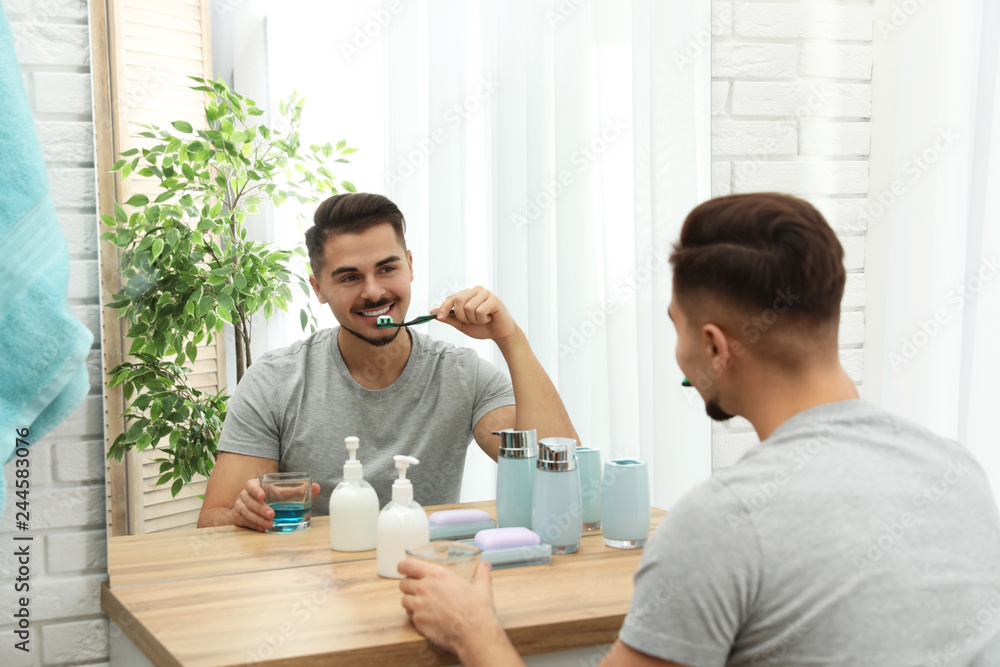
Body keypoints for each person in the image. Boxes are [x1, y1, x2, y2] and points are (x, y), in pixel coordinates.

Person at [397, 192, 1000, 666]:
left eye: (677, 326)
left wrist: (471, 631)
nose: (678, 350)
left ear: (713, 346)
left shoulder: (723, 522)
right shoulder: (956, 470)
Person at [198, 193, 579, 530]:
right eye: (349, 277)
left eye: (387, 268)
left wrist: (510, 339)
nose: (374, 291)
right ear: (318, 289)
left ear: (410, 266)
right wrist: (242, 515)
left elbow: (558, 478)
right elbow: (213, 520)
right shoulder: (274, 381)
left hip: (427, 585)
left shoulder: (463, 376)